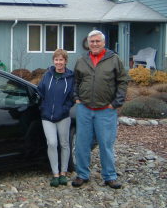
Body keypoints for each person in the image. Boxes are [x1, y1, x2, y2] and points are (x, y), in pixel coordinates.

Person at [72, 30, 128, 189]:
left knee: (106, 144)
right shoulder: (82, 60)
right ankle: (82, 174)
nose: (95, 44)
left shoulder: (114, 59)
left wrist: (116, 103)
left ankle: (110, 176)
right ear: (88, 43)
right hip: (84, 108)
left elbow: (123, 81)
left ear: (103, 43)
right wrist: (76, 98)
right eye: (92, 41)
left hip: (106, 110)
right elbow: (76, 81)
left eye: (97, 41)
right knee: (82, 143)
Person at [37, 49, 74, 187]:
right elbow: (40, 91)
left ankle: (63, 173)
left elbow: (72, 96)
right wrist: (42, 107)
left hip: (63, 116)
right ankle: (55, 173)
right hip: (47, 116)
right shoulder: (47, 75)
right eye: (56, 60)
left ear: (65, 61)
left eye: (61, 60)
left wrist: (65, 109)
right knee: (52, 143)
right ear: (54, 61)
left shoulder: (71, 77)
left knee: (64, 143)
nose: (58, 62)